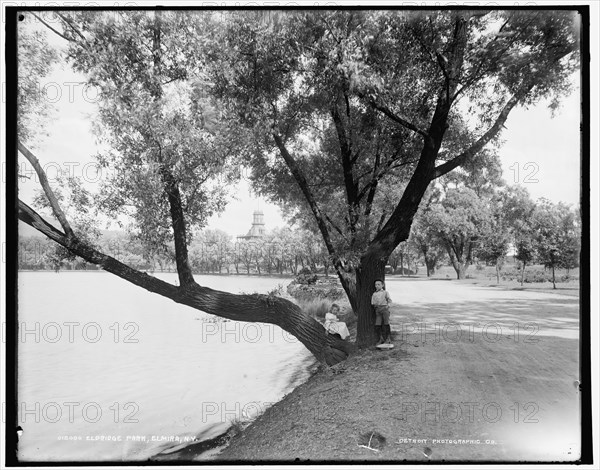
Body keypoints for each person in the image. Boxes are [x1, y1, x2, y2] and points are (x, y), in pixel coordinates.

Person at [371, 279, 392, 345]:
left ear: (382, 285)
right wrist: (375, 305)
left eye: (378, 284)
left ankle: (388, 338)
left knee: (386, 324)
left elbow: (389, 300)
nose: (377, 286)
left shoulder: (385, 292)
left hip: (384, 309)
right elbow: (372, 302)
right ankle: (381, 338)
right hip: (378, 310)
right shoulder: (374, 294)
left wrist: (387, 306)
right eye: (376, 285)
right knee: (377, 325)